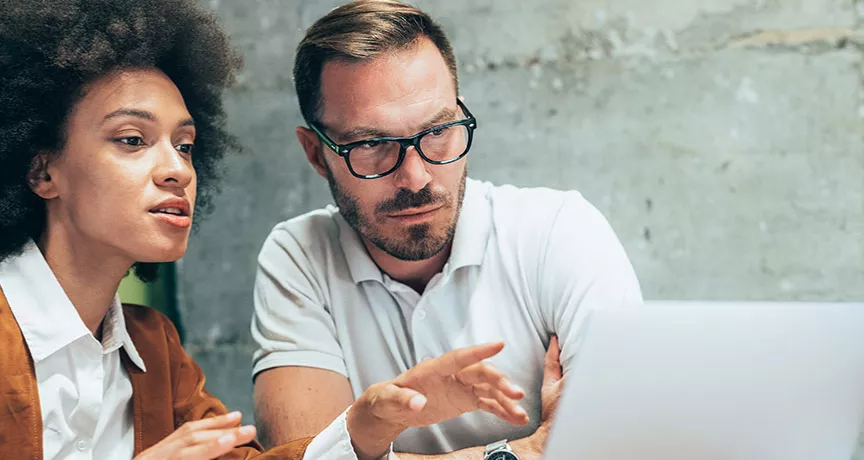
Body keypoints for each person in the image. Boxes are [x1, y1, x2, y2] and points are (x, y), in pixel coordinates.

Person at [0, 1, 526, 459]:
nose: (178, 171)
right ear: (42, 170)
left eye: (184, 146)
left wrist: (366, 426)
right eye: (133, 140)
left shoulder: (154, 350)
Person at [251, 0, 644, 458]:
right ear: (317, 155)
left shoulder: (558, 231)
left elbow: (625, 443)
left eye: (438, 132)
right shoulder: (299, 256)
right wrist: (524, 453)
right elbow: (304, 459)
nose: (415, 178)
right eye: (372, 144)